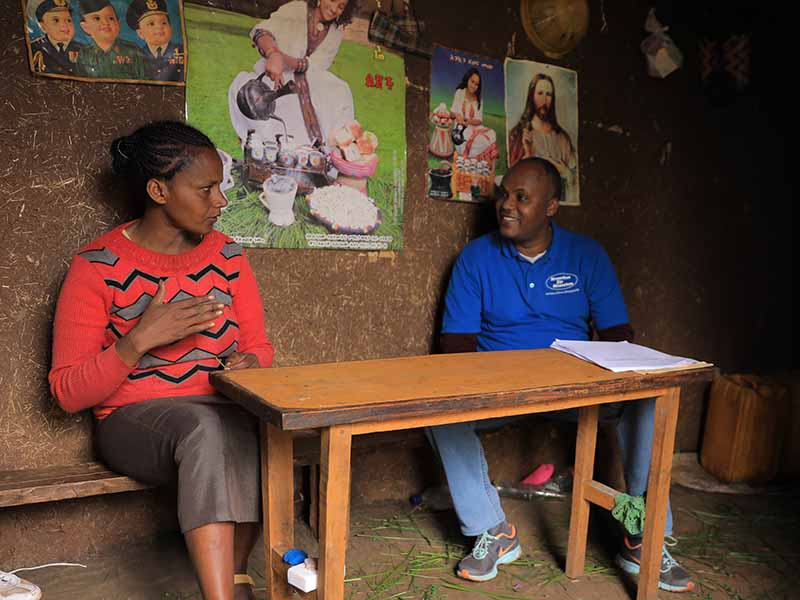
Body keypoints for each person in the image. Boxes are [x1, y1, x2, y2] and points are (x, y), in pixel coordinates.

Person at [428, 157, 694, 593]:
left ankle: (644, 535)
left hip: (576, 387)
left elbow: (616, 335)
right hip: (500, 388)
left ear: (551, 206)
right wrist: (483, 387)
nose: (506, 206)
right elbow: (455, 346)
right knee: (436, 409)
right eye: (503, 195)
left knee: (648, 400)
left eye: (521, 198)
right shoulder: (476, 258)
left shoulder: (586, 255)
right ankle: (493, 529)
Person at [48, 121, 274, 600]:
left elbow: (260, 346)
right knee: (207, 430)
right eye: (206, 189)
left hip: (221, 412)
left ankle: (235, 577)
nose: (221, 202)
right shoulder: (97, 265)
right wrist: (141, 339)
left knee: (265, 428)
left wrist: (249, 362)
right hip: (132, 424)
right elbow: (67, 393)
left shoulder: (228, 257)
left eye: (221, 187)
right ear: (158, 190)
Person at [228, 0, 358, 151]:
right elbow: (262, 32)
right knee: (259, 101)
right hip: (277, 77)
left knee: (341, 91)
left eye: (341, 6)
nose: (334, 9)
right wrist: (272, 54)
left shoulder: (336, 31)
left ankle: (333, 150)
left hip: (311, 81)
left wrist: (281, 58)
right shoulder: (297, 9)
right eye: (332, 0)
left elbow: (314, 66)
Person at [507, 73, 576, 187]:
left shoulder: (562, 138)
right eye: (540, 93)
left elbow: (574, 180)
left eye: (548, 94)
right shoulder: (518, 134)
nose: (544, 100)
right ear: (531, 96)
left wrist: (565, 172)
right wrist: (528, 153)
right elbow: (512, 176)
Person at [75, 0, 146, 79]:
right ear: (85, 27)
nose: (105, 22)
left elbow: (144, 80)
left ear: (118, 24)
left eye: (111, 18)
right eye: (97, 18)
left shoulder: (132, 50)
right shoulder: (84, 54)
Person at [126, 0, 185, 82]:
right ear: (140, 33)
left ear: (171, 27)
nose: (159, 27)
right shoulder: (137, 57)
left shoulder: (182, 51)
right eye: (151, 24)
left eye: (164, 23)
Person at [449, 67, 497, 162]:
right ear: (467, 79)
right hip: (461, 129)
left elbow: (479, 120)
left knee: (492, 134)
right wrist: (457, 116)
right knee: (467, 136)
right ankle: (467, 156)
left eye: (477, 84)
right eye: (472, 81)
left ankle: (476, 159)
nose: (474, 86)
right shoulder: (459, 93)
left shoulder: (479, 99)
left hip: (473, 127)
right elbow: (451, 114)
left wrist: (467, 120)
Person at [28, 0, 82, 76]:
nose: (64, 25)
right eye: (56, 20)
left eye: (68, 20)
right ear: (43, 27)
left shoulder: (82, 49)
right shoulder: (34, 48)